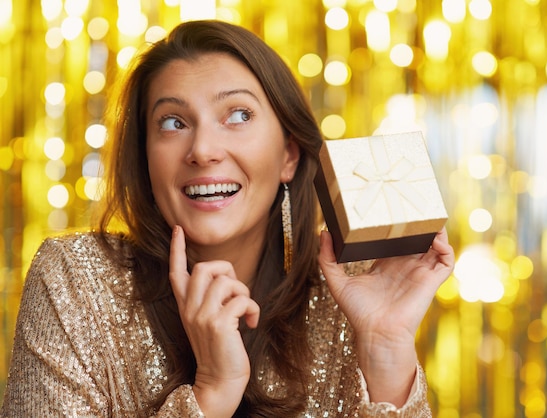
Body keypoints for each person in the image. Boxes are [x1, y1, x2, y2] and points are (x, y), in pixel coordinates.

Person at [0, 20, 454, 417]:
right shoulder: (74, 280)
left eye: (237, 115)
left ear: (288, 157)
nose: (202, 150)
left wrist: (385, 347)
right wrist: (210, 395)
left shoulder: (350, 295)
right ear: (146, 159)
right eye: (174, 122)